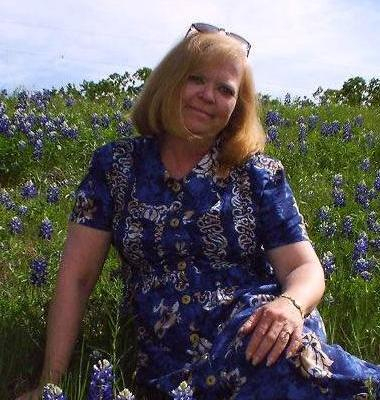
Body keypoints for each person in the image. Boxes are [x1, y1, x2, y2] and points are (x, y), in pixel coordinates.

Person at [18, 23, 380, 400]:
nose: (208, 96)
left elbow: (305, 269)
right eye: (196, 80)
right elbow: (77, 276)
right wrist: (50, 383)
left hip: (258, 329)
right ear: (170, 83)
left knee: (295, 375)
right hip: (169, 357)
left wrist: (289, 306)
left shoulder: (258, 173)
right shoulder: (116, 166)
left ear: (237, 106)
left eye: (225, 90)